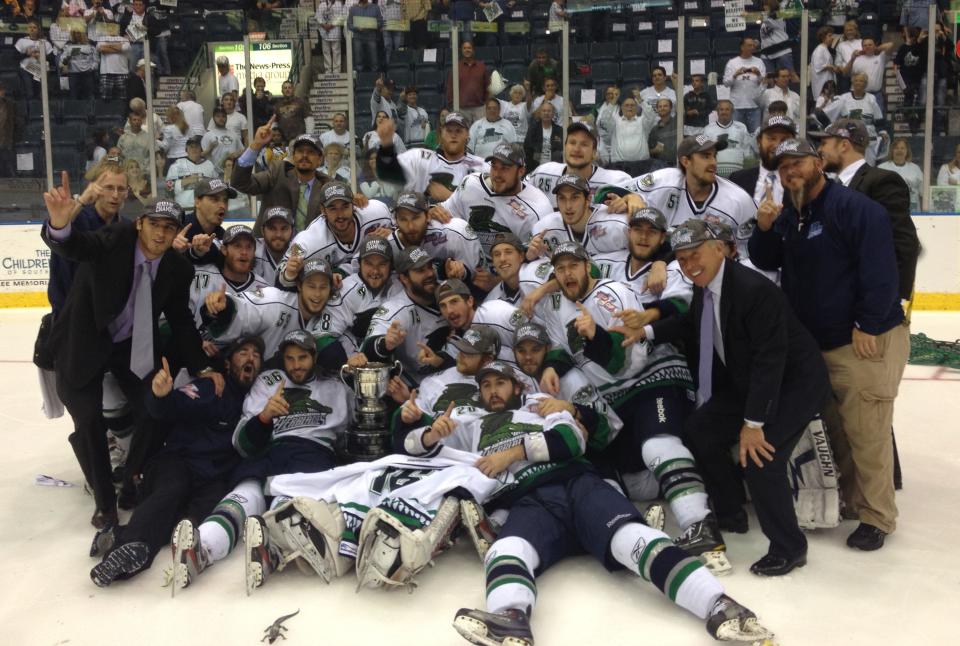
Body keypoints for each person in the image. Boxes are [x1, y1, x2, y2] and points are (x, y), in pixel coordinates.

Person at [437, 361, 774, 646]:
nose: (494, 390)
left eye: (501, 383)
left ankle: (719, 604)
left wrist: (513, 453)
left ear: (516, 386)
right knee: (505, 550)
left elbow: (572, 440)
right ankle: (510, 618)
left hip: (577, 483)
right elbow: (422, 450)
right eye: (487, 386)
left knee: (633, 540)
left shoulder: (539, 403)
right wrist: (421, 428)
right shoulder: (469, 427)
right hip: (530, 501)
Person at [641, 218, 830, 574]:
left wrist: (753, 423)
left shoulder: (753, 291)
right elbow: (693, 323)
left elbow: (770, 360)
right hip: (750, 380)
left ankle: (789, 547)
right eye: (681, 259)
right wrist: (645, 330)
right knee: (700, 429)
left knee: (760, 458)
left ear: (720, 249)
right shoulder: (707, 283)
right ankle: (730, 512)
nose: (689, 265)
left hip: (793, 384)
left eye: (694, 254)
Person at [749, 138, 910, 552]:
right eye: (783, 168)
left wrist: (869, 325)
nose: (790, 172)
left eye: (797, 163)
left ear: (819, 163)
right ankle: (854, 504)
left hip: (862, 341)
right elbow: (768, 260)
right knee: (838, 430)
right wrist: (765, 229)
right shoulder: (794, 214)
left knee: (868, 432)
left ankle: (878, 516)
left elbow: (881, 271)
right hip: (818, 345)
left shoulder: (855, 209)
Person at [41, 188, 215, 532]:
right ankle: (105, 503)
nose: (161, 233)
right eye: (154, 224)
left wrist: (203, 367)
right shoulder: (117, 237)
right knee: (89, 421)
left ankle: (133, 477)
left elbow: (180, 320)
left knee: (156, 404)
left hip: (130, 347)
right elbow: (80, 247)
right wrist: (60, 228)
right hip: (82, 340)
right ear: (140, 224)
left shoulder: (178, 268)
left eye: (169, 227)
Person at [167, 329, 352, 592]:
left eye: (302, 358)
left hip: (311, 457)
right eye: (289, 358)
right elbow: (241, 444)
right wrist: (264, 418)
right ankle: (202, 548)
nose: (296, 365)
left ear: (314, 357)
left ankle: (271, 551)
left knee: (286, 507)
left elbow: (353, 436)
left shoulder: (335, 387)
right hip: (270, 453)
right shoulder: (268, 381)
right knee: (242, 497)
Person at [89, 336, 264, 587]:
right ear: (227, 364)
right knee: (173, 491)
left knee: (190, 521)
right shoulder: (212, 388)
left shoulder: (258, 402)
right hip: (177, 463)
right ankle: (127, 549)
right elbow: (168, 408)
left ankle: (118, 534)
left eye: (256, 355)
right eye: (243, 353)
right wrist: (160, 396)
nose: (250, 358)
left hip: (212, 479)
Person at [810, 119, 920, 303]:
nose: (819, 150)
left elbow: (904, 242)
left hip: (873, 308)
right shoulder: (827, 187)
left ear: (844, 145)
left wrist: (896, 298)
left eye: (824, 143)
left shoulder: (881, 182)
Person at [614, 135, 759, 259]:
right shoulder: (665, 180)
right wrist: (631, 196)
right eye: (705, 156)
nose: (713, 163)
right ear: (686, 161)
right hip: (664, 266)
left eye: (714, 156)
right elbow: (605, 192)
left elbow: (752, 252)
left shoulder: (738, 200)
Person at [432, 142, 553, 273]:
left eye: (505, 168)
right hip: (467, 268)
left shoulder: (538, 208)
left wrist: (498, 280)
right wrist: (432, 210)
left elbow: (541, 266)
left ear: (521, 171)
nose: (497, 174)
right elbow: (444, 213)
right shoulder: (470, 184)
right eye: (494, 166)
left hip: (510, 276)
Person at [203, 258, 340, 361]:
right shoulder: (275, 301)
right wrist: (223, 308)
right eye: (311, 286)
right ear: (299, 286)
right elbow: (245, 309)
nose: (317, 294)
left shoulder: (331, 312)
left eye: (323, 287)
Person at [275, 180, 392, 285]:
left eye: (345, 206)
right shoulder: (309, 240)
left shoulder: (377, 212)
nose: (340, 215)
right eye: (332, 208)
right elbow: (279, 275)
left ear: (353, 205)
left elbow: (403, 232)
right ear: (322, 210)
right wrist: (289, 274)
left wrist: (393, 234)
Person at [361, 246, 448, 382]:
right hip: (421, 384)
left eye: (430, 267)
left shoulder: (450, 292)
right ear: (404, 278)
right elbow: (367, 349)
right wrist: (385, 344)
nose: (430, 274)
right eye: (420, 270)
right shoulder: (396, 309)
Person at [233, 120, 334, 234]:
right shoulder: (278, 173)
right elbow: (240, 183)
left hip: (310, 250)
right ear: (293, 157)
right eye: (300, 151)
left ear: (320, 159)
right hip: (270, 248)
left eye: (311, 152)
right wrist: (256, 145)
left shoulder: (327, 187)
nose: (304, 155)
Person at [376, 112, 487, 202]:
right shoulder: (420, 158)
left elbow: (491, 202)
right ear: (441, 133)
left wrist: (450, 197)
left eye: (458, 131)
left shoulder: (480, 166)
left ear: (467, 134)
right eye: (449, 131)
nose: (453, 135)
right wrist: (386, 146)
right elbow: (387, 173)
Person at [384, 190, 484, 284]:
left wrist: (463, 273)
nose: (410, 226)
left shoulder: (455, 232)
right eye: (403, 219)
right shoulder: (388, 247)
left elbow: (481, 279)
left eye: (415, 218)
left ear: (428, 216)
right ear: (396, 221)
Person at [530, 174, 628, 258]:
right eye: (562, 198)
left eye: (575, 198)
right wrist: (530, 257)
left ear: (588, 200)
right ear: (556, 201)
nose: (568, 206)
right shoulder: (544, 229)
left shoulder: (617, 226)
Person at [728, 114, 798, 206]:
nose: (777, 145)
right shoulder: (737, 180)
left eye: (785, 140)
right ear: (759, 141)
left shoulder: (802, 183)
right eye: (771, 138)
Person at [822, 72, 887, 165]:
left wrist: (882, 132)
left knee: (868, 166)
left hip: (869, 139)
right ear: (852, 82)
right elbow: (828, 114)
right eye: (856, 80)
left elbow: (879, 119)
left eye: (861, 81)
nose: (858, 83)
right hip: (849, 138)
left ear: (865, 84)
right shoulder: (844, 98)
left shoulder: (871, 98)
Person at [722, 37, 765, 133]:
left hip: (754, 105)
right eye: (749, 45)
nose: (752, 47)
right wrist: (735, 75)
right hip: (737, 105)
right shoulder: (732, 63)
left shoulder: (759, 62)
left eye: (753, 45)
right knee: (736, 136)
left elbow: (764, 83)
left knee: (755, 135)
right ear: (742, 47)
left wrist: (758, 74)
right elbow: (725, 83)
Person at [609, 96, 659, 176]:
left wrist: (640, 100)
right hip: (619, 166)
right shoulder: (615, 122)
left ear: (637, 108)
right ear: (621, 108)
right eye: (627, 105)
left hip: (642, 165)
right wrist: (613, 102)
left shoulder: (642, 122)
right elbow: (605, 119)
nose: (630, 107)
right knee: (620, 188)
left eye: (632, 105)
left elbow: (651, 115)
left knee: (642, 188)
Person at [702, 100, 754, 178]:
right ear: (717, 112)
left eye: (727, 109)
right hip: (715, 174)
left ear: (732, 111)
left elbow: (747, 151)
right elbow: (704, 153)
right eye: (721, 109)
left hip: (738, 174)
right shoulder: (708, 129)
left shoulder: (741, 127)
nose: (724, 112)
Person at [165, 136, 218, 210]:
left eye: (197, 147)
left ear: (201, 149)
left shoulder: (209, 164)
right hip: (183, 209)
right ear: (186, 150)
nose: (194, 149)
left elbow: (216, 187)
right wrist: (186, 181)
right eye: (191, 147)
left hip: (204, 210)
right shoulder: (177, 164)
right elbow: (168, 188)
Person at [846, 36, 895, 113]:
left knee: (878, 120)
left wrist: (876, 49)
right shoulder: (856, 59)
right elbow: (846, 73)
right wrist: (852, 59)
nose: (867, 47)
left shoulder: (881, 58)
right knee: (858, 120)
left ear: (875, 45)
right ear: (862, 47)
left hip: (876, 95)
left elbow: (891, 45)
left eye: (870, 45)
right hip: (858, 95)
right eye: (865, 45)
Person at [446, 41, 490, 123]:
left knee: (480, 133)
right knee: (463, 134)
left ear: (473, 50)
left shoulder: (481, 67)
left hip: (479, 108)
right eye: (464, 48)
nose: (467, 50)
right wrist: (452, 104)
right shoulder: (456, 66)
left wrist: (485, 102)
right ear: (461, 50)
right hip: (461, 109)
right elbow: (450, 86)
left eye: (469, 48)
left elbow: (487, 86)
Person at [893, 27, 925, 134]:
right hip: (906, 79)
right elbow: (896, 65)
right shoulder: (903, 48)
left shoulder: (920, 47)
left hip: (918, 79)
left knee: (920, 101)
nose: (909, 38)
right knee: (908, 101)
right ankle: (911, 122)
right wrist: (902, 84)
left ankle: (917, 120)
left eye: (911, 36)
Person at [253, 207, 294, 286]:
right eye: (272, 228)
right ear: (262, 230)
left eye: (284, 228)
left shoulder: (300, 253)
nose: (278, 234)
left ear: (292, 231)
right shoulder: (251, 249)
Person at [879, 138, 923, 211]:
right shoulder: (882, 168)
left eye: (902, 148)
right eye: (896, 148)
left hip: (912, 211)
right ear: (892, 151)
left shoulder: (915, 168)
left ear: (907, 151)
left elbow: (923, 192)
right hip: (889, 211)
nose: (899, 151)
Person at [15, 19, 53, 100]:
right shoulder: (22, 41)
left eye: (34, 27)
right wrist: (26, 54)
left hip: (41, 69)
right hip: (26, 68)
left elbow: (51, 58)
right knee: (30, 93)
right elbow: (15, 57)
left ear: (38, 29)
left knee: (42, 95)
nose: (32, 29)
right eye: (30, 27)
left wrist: (41, 55)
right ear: (27, 29)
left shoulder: (45, 42)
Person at [523, 101, 564, 170]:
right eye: (544, 111)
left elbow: (561, 149)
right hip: (535, 167)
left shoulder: (559, 130)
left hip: (554, 168)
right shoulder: (533, 129)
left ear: (553, 114)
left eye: (549, 111)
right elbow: (527, 148)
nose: (546, 113)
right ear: (540, 113)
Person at [201, 106, 244, 172]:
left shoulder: (234, 134)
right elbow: (201, 156)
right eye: (218, 116)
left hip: (232, 172)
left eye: (223, 116)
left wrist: (237, 154)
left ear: (226, 118)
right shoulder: (207, 135)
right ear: (213, 118)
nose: (221, 118)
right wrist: (210, 148)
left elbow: (242, 151)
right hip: (214, 173)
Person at [61, 28, 97, 100]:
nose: (77, 35)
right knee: (73, 96)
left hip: (87, 73)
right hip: (73, 74)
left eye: (78, 33)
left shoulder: (90, 44)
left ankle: (90, 111)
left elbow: (96, 60)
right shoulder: (68, 45)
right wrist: (68, 57)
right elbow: (63, 61)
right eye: (75, 33)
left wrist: (91, 68)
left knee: (89, 96)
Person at [759, 0, 793, 71]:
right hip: (767, 53)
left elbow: (762, 17)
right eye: (764, 5)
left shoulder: (779, 17)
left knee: (790, 74)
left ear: (772, 6)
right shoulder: (764, 21)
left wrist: (748, 15)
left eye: (766, 5)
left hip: (782, 51)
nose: (764, 7)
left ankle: (801, 83)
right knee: (770, 77)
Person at [117, 110, 152, 179]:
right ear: (130, 121)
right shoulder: (123, 138)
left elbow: (153, 156)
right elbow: (118, 156)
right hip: (126, 174)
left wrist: (147, 171)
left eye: (139, 120)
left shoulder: (149, 137)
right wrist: (108, 159)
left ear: (142, 121)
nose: (136, 122)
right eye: (134, 120)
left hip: (144, 175)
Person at [348, 0, 381, 72]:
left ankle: (374, 77)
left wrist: (372, 25)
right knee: (358, 60)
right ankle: (359, 78)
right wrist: (357, 28)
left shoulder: (375, 8)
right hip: (358, 37)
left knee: (374, 60)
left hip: (371, 37)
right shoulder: (353, 9)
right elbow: (349, 24)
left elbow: (380, 22)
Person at [810, 25, 840, 101]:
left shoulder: (825, 49)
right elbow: (818, 66)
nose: (832, 38)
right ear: (823, 37)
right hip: (822, 85)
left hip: (828, 84)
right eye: (829, 36)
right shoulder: (819, 49)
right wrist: (831, 67)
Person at [592, 85, 621, 161]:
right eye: (608, 93)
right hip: (602, 141)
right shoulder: (598, 107)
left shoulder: (621, 107)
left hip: (617, 140)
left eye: (613, 94)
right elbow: (592, 120)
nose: (611, 96)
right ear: (605, 95)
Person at [317, 0, 346, 74]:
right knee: (326, 52)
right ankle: (328, 70)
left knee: (336, 51)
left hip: (335, 30)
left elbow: (342, 17)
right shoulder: (322, 4)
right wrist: (324, 25)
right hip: (324, 32)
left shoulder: (339, 4)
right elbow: (318, 17)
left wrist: (332, 25)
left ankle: (336, 70)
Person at [159, 105, 190, 173]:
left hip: (173, 158)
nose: (167, 119)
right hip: (186, 157)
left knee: (172, 182)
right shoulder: (187, 127)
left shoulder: (169, 128)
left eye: (167, 117)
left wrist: (155, 141)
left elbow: (165, 146)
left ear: (171, 117)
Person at [648, 98, 677, 167]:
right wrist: (655, 150)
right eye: (660, 107)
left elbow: (682, 109)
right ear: (657, 110)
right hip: (663, 166)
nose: (662, 108)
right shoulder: (654, 130)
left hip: (679, 164)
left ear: (671, 108)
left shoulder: (677, 121)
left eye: (665, 106)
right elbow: (649, 151)